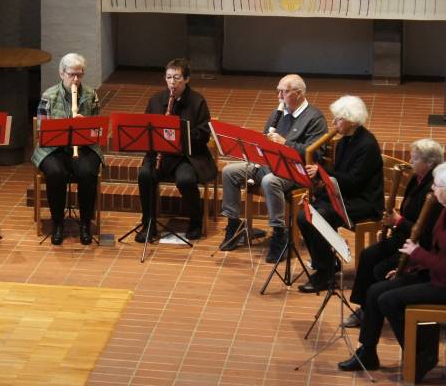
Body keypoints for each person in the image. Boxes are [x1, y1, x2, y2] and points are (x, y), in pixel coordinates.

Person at [338, 161, 446, 379]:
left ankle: (421, 355)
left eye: (436, 186)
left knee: (388, 300)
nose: (432, 189)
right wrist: (411, 266)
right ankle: (367, 352)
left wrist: (416, 253)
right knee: (375, 291)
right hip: (437, 276)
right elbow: (437, 251)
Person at [219, 74, 328, 261]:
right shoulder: (278, 113)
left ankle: (279, 234)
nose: (278, 96)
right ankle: (234, 225)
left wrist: (286, 144)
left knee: (270, 181)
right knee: (230, 171)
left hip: (295, 171)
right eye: (278, 91)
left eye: (283, 92)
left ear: (299, 93)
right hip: (269, 164)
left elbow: (315, 152)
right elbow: (264, 140)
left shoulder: (315, 118)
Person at [344, 138, 445, 328]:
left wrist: (399, 221)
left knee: (379, 269)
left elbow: (426, 232)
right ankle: (364, 307)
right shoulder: (417, 178)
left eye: (415, 158)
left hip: (418, 244)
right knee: (368, 255)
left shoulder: (434, 188)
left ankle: (375, 309)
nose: (410, 161)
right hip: (403, 235)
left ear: (430, 163)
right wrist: (395, 221)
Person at [296, 95, 384, 293]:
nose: (334, 123)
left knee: (318, 217)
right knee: (304, 215)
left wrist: (323, 172)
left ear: (352, 120)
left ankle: (325, 273)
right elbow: (339, 178)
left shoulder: (367, 145)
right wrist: (320, 189)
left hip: (363, 202)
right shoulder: (345, 141)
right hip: (345, 196)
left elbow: (353, 181)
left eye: (338, 119)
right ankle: (327, 262)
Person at [134, 58, 216, 242]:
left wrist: (181, 133)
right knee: (145, 175)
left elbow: (204, 133)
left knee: (186, 180)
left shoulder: (197, 101)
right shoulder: (156, 100)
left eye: (176, 77)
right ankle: (149, 225)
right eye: (169, 77)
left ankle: (195, 222)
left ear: (186, 79)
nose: (172, 82)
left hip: (186, 155)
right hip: (160, 154)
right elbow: (146, 129)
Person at [32, 53, 102, 245]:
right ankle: (57, 223)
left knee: (87, 172)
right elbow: (42, 130)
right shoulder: (49, 95)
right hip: (53, 149)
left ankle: (85, 223)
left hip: (84, 147)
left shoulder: (91, 95)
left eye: (80, 75)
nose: (76, 79)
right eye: (72, 74)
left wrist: (84, 124)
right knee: (56, 173)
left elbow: (98, 128)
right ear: (61, 74)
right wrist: (65, 125)